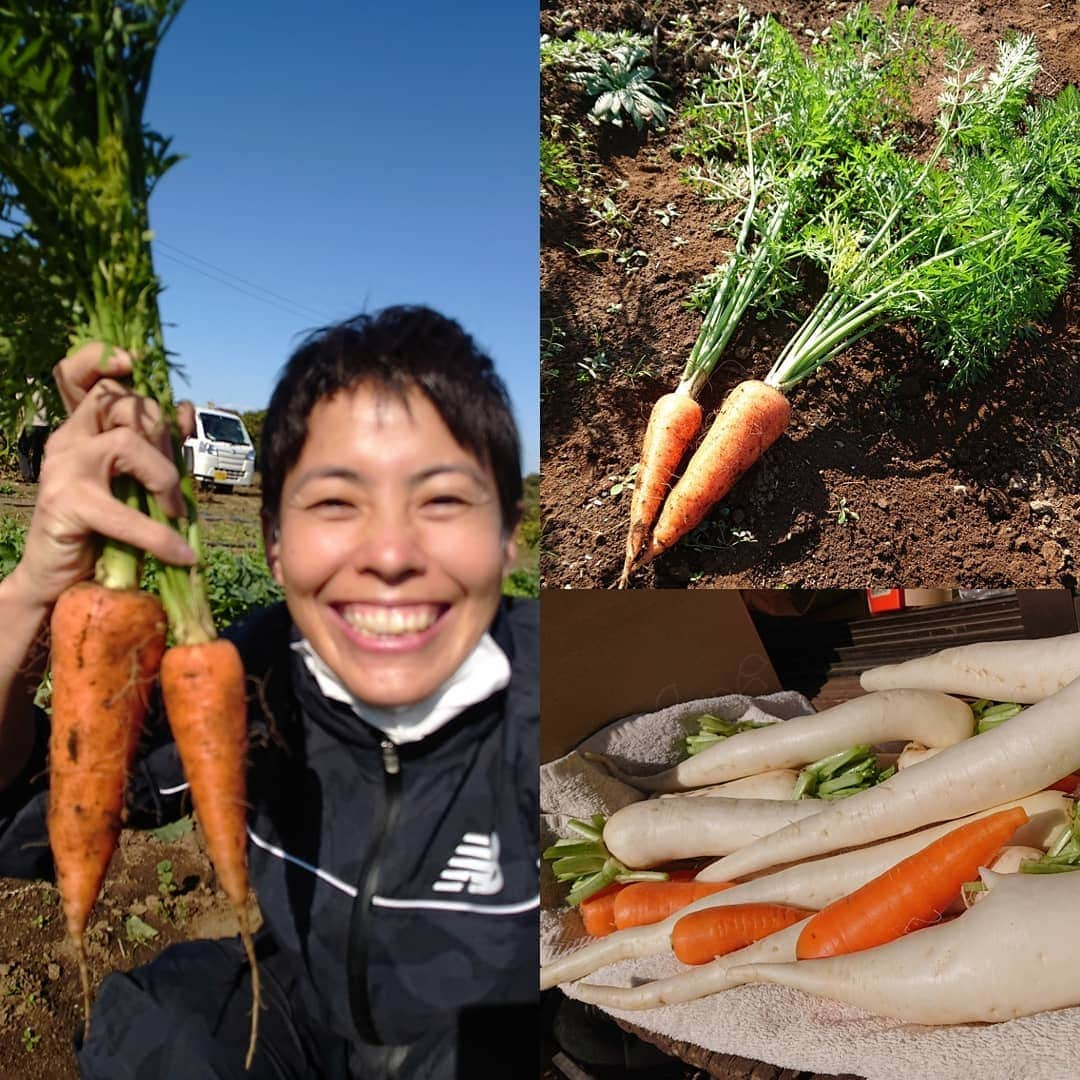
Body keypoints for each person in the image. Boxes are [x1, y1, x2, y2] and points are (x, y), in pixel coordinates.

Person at [0, 305, 539, 1079]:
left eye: (444, 500)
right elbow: (20, 804)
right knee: (165, 1037)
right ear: (274, 549)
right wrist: (28, 593)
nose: (389, 554)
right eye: (334, 502)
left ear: (509, 535)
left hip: (479, 1030)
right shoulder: (246, 675)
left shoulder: (548, 696)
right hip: (302, 1004)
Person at [15, 380, 51, 483]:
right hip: (44, 424)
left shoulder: (24, 391)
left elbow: (20, 407)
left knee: (22, 450)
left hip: (31, 424)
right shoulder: (46, 390)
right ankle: (35, 475)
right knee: (38, 450)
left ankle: (27, 476)